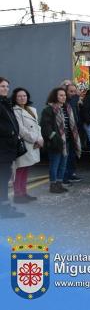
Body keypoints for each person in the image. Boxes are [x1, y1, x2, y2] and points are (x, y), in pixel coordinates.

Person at [41, 87, 82, 193]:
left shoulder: (67, 107)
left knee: (63, 164)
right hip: (56, 142)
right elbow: (45, 127)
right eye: (60, 95)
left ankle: (59, 184)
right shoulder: (49, 109)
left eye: (64, 95)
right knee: (55, 164)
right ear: (55, 96)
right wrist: (55, 138)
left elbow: (71, 125)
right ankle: (53, 185)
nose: (63, 97)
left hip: (67, 141)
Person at [12, 88, 43, 202]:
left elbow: (37, 126)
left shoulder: (31, 109)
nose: (22, 98)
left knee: (26, 168)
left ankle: (24, 192)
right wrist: (35, 139)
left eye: (24, 96)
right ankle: (18, 195)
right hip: (24, 144)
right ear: (15, 98)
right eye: (19, 96)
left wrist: (40, 139)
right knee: (19, 169)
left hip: (33, 143)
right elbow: (21, 130)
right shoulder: (15, 111)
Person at [0, 77, 25, 218]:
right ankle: (3, 209)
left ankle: (4, 205)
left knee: (5, 177)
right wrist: (10, 132)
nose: (6, 89)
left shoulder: (5, 102)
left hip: (7, 148)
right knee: (3, 178)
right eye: (2, 86)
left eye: (7, 86)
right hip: (2, 148)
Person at [64, 84, 83, 184]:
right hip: (68, 132)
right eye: (71, 91)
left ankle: (71, 174)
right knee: (66, 156)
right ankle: (65, 176)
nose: (73, 93)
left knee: (72, 154)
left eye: (74, 91)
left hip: (75, 131)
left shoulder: (75, 100)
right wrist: (77, 96)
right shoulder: (67, 101)